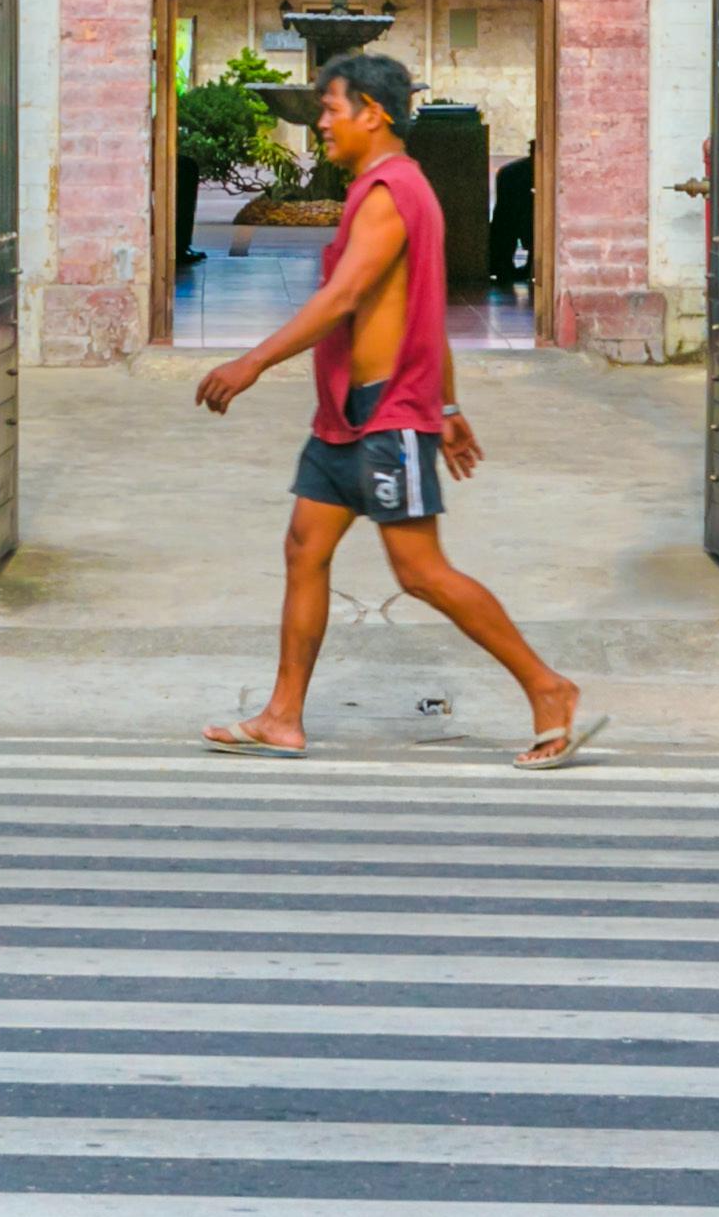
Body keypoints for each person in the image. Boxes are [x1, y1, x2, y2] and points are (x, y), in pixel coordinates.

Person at [192, 49, 590, 765]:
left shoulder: (387, 194)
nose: (321, 123)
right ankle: (282, 717)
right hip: (347, 420)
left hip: (384, 417)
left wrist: (251, 361)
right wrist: (448, 402)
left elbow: (343, 298)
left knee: (420, 571)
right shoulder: (390, 187)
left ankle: (547, 687)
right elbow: (422, 308)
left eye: (331, 110)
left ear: (373, 115)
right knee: (304, 550)